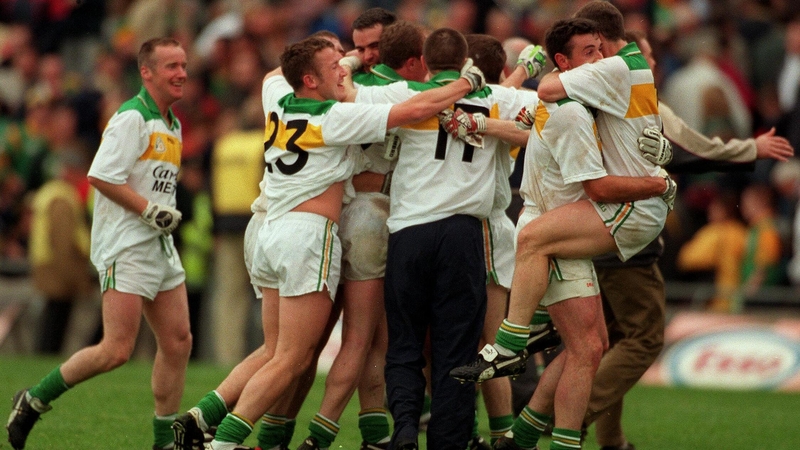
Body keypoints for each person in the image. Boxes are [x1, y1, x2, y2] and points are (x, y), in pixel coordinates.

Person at [202, 35, 485, 450]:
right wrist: (467, 83)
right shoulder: (337, 116)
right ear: (310, 80)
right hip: (310, 233)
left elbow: (274, 74)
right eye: (333, 66)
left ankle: (205, 419)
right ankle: (228, 442)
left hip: (267, 228)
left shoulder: (277, 97)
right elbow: (418, 108)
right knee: (304, 355)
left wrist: (345, 59)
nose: (343, 70)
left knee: (279, 350)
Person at [444, 18, 671, 450]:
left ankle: (523, 434)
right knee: (587, 347)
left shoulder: (582, 98)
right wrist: (659, 183)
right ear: (565, 62)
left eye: (601, 49)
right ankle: (514, 343)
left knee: (589, 347)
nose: (600, 58)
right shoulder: (570, 109)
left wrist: (482, 126)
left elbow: (527, 124)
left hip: (566, 225)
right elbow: (599, 186)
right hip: (553, 226)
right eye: (589, 51)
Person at [582, 29, 794, 450]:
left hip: (579, 234)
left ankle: (611, 441)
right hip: (628, 238)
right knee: (643, 339)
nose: (653, 66)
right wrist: (750, 147)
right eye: (645, 58)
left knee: (605, 347)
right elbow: (692, 150)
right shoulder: (642, 105)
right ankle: (564, 417)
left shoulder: (579, 101)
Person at [352, 27, 542, 450]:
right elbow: (548, 116)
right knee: (457, 349)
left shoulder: (403, 94)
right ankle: (450, 440)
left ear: (425, 59)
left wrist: (352, 59)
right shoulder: (498, 98)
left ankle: (403, 430)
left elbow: (347, 93)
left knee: (404, 343)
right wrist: (503, 102)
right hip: (462, 235)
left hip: (409, 233)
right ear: (464, 63)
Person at [6, 37, 192, 450]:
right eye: (171, 66)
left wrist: (162, 212)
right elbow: (101, 176)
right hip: (126, 244)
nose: (182, 73)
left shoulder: (173, 123)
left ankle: (165, 441)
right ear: (146, 72)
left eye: (183, 64)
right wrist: (147, 210)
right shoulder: (131, 118)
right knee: (116, 350)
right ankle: (33, 400)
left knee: (178, 342)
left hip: (158, 244)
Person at [294, 20, 429, 450]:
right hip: (366, 215)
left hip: (351, 219)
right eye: (359, 47)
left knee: (370, 339)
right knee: (357, 338)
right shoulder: (371, 91)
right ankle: (318, 434)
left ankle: (373, 434)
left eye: (374, 46)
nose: (367, 55)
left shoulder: (346, 87)